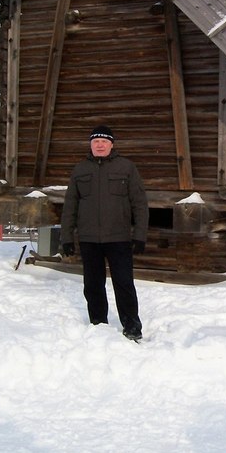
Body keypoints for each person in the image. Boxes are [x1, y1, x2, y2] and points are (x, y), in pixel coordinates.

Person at [61, 125, 149, 341]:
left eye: (104, 141)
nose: (99, 145)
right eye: (95, 141)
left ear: (112, 144)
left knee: (124, 283)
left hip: (118, 238)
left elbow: (139, 203)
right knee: (92, 285)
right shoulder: (80, 170)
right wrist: (66, 238)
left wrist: (140, 234)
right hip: (89, 238)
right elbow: (70, 206)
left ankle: (132, 326)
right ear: (90, 145)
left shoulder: (126, 168)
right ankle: (98, 323)